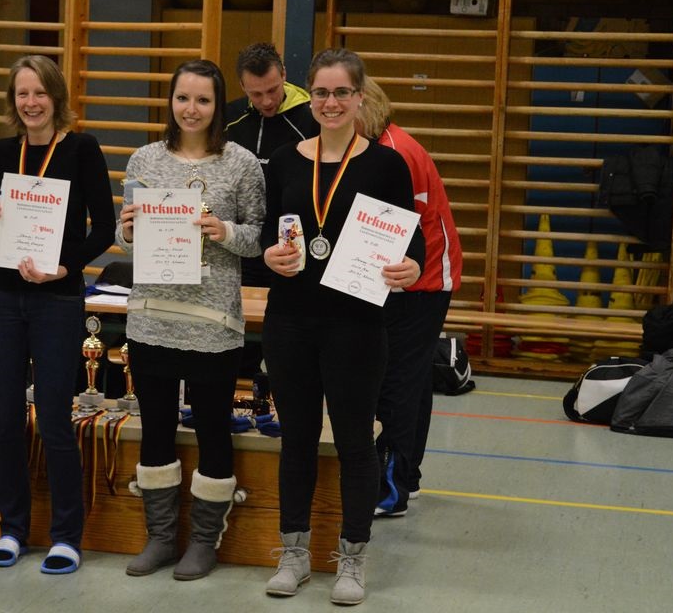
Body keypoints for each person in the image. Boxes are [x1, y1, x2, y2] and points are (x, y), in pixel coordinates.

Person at [260, 48, 424, 605]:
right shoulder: (283, 161)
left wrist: (411, 267)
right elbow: (264, 237)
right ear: (311, 96)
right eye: (322, 93)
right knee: (297, 442)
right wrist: (268, 257)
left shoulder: (385, 164)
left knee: (356, 443)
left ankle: (352, 559)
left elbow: (413, 244)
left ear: (359, 98)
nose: (331, 103)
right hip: (290, 323)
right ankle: (294, 554)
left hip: (356, 326)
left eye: (342, 93)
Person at [116, 59, 265, 581]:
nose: (192, 109)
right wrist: (129, 229)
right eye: (183, 98)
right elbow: (123, 237)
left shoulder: (242, 163)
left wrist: (223, 230)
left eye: (203, 100)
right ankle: (160, 538)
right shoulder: (144, 159)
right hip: (152, 317)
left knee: (211, 430)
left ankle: (203, 542)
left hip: (213, 322)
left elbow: (260, 237)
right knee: (155, 429)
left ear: (217, 105)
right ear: (171, 102)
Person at [0, 55, 115, 575]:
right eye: (21, 94)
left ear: (56, 97)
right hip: (1, 301)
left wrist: (64, 267)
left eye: (39, 93)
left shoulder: (82, 150)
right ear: (13, 101)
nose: (30, 103)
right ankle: (11, 530)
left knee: (55, 419)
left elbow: (104, 227)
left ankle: (65, 537)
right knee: (4, 421)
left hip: (57, 299)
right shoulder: (0, 153)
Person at [357, 78, 463, 518]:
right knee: (413, 379)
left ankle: (392, 489)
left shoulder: (395, 152)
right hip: (409, 279)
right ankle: (409, 479)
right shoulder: (382, 144)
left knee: (396, 381)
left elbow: (394, 229)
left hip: (421, 283)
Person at [226, 42, 318, 288]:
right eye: (256, 94)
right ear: (242, 86)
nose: (266, 101)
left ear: (284, 74)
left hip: (292, 246)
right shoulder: (229, 118)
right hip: (241, 246)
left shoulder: (311, 119)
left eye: (273, 90)